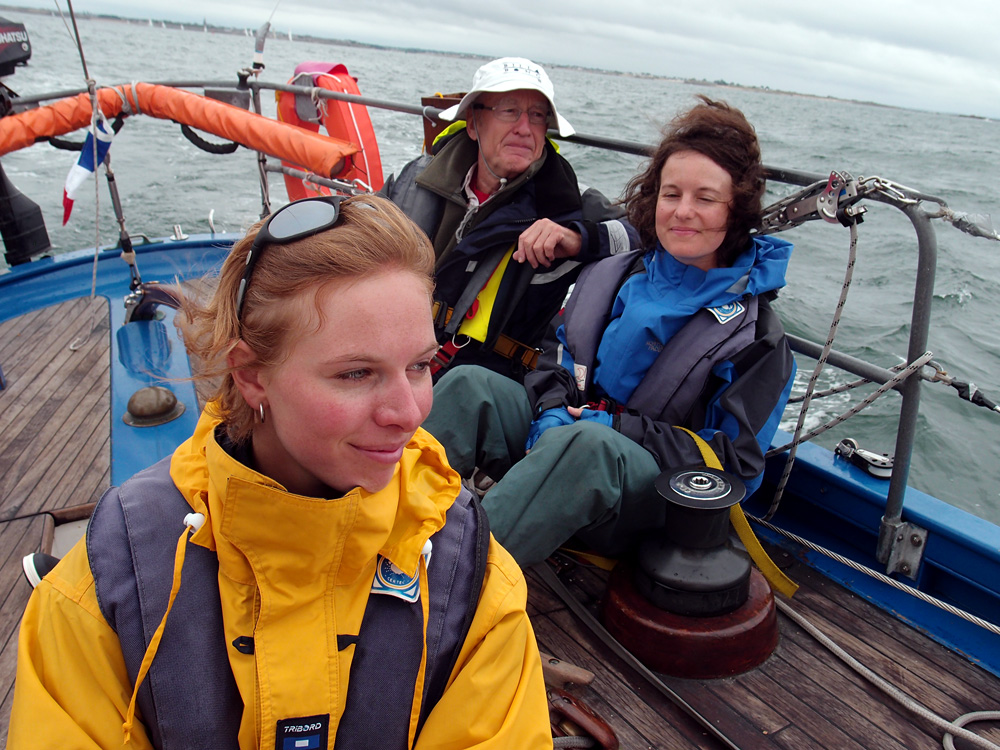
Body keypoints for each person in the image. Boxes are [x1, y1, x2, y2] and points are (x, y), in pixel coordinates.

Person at [7, 195, 553, 749]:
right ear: (251, 375)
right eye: (357, 373)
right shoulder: (109, 590)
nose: (409, 413)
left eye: (418, 366)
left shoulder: (473, 583)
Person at [422, 97, 796, 567]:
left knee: (588, 446)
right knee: (470, 385)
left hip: (654, 502)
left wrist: (616, 429)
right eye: (671, 194)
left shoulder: (756, 337)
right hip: (564, 445)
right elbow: (552, 359)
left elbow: (735, 466)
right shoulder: (612, 275)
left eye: (705, 198)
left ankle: (452, 582)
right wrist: (554, 410)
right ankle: (375, 516)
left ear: (736, 210)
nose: (682, 211)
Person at [381, 57, 638, 382]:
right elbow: (353, 241)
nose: (524, 128)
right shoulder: (414, 180)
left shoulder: (569, 202)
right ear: (473, 124)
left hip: (488, 380)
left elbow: (646, 234)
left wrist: (578, 239)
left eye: (537, 116)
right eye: (508, 111)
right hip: (394, 350)